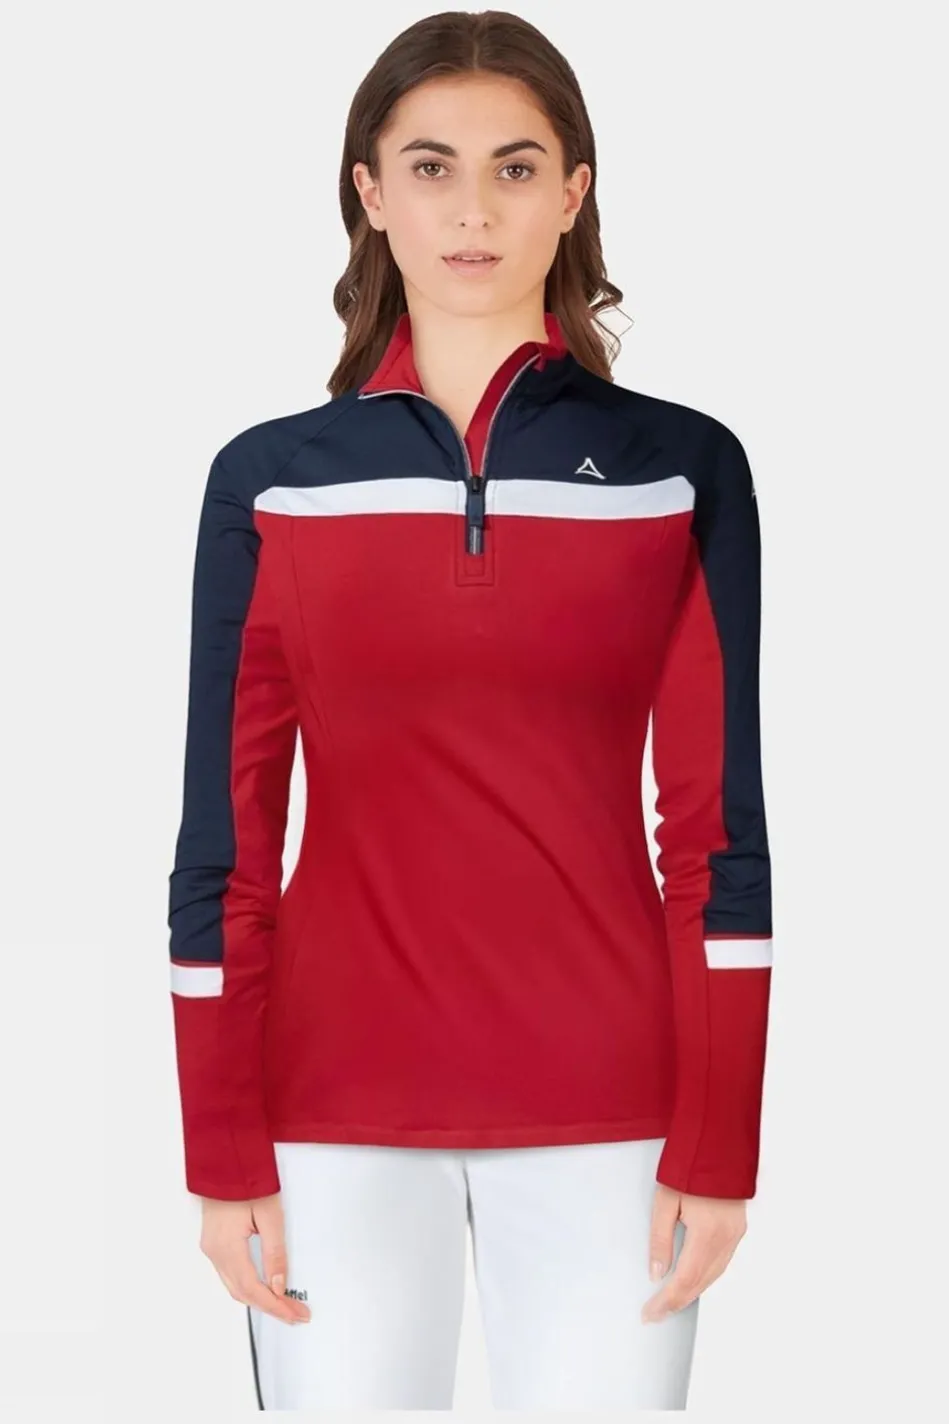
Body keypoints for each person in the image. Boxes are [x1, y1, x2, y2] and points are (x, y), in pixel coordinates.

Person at [166, 9, 774, 1411]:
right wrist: (220, 1146)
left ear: (572, 193)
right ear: (370, 194)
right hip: (328, 1114)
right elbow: (225, 845)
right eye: (430, 167)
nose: (473, 210)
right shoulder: (272, 482)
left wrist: (721, 1143)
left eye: (516, 167)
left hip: (616, 1111)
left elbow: (716, 839)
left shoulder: (682, 471)